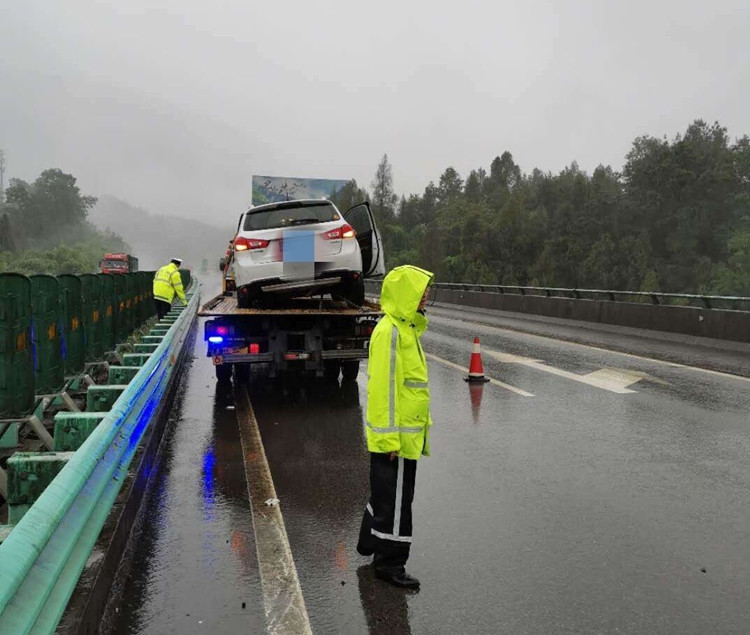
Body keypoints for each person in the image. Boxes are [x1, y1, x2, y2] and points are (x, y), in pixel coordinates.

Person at [357, 265, 434, 589]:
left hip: (404, 434)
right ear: (406, 294)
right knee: (398, 502)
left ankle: (371, 540)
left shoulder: (404, 329)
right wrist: (389, 439)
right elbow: (385, 389)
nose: (426, 295)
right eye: (421, 290)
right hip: (397, 438)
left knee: (389, 495)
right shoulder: (390, 332)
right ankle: (390, 564)